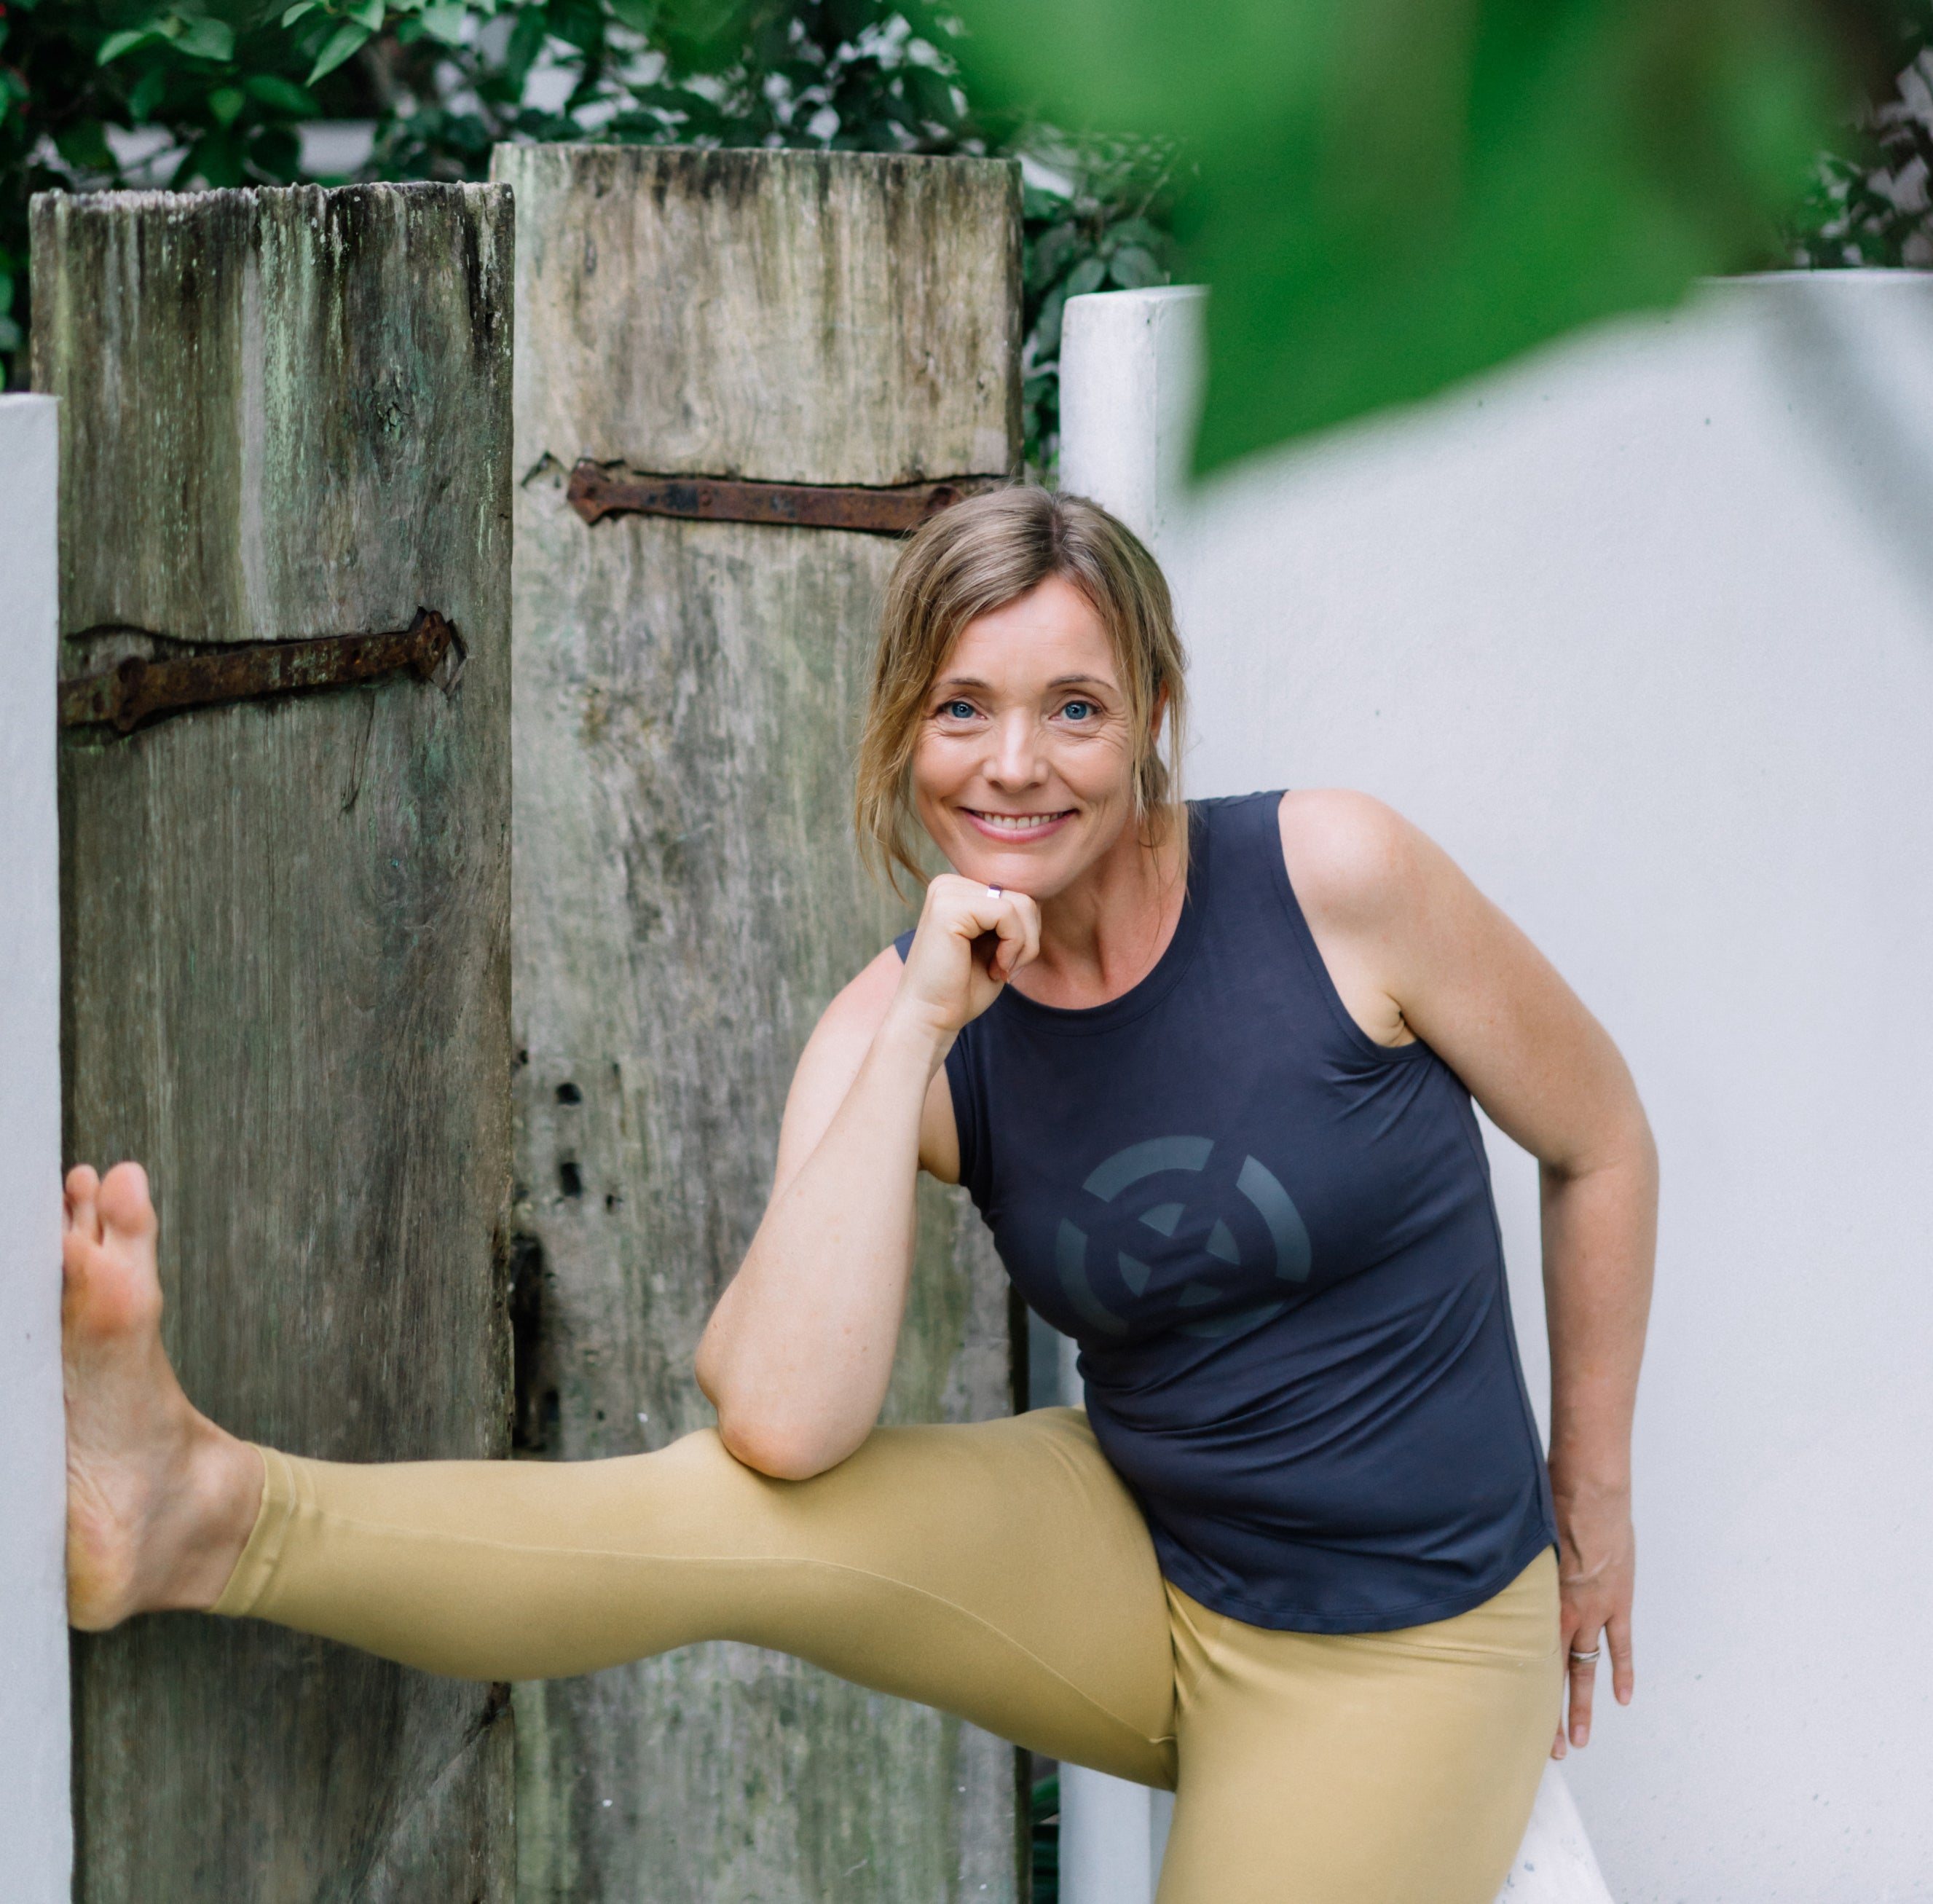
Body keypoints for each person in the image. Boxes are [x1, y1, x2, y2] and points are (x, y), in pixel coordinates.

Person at [62, 487, 1656, 1904]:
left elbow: (1599, 1142)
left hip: (1410, 1635)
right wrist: (918, 1026)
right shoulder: (902, 1021)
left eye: (1074, 707)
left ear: (1156, 712)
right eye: (962, 707)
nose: (1014, 763)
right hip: (1144, 1546)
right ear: (903, 726)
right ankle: (199, 1513)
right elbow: (778, 1420)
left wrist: (1588, 1509)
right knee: (713, 1514)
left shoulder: (1336, 881)